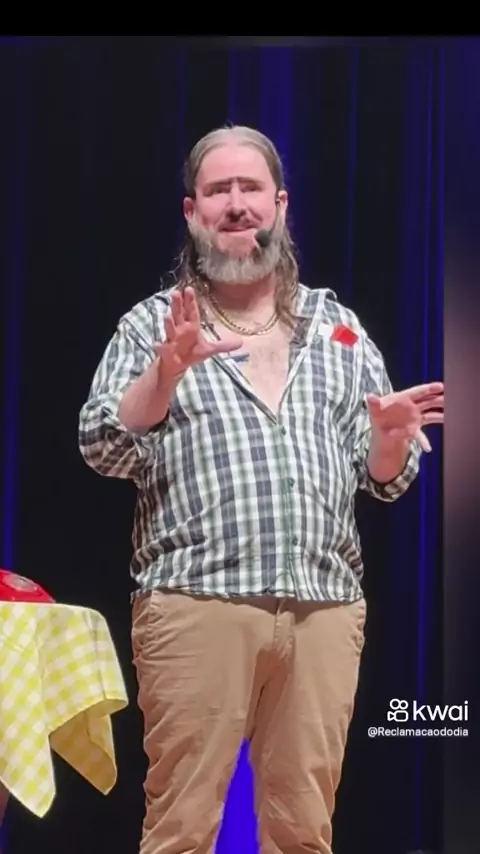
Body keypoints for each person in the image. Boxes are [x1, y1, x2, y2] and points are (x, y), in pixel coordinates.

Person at [78, 125, 444, 854]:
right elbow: (101, 445)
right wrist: (164, 375)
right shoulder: (154, 326)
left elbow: (386, 480)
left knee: (304, 834)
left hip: (323, 609)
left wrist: (388, 438)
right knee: (182, 830)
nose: (236, 204)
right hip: (197, 602)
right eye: (219, 191)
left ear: (280, 204)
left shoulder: (339, 329)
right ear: (192, 212)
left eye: (251, 188)